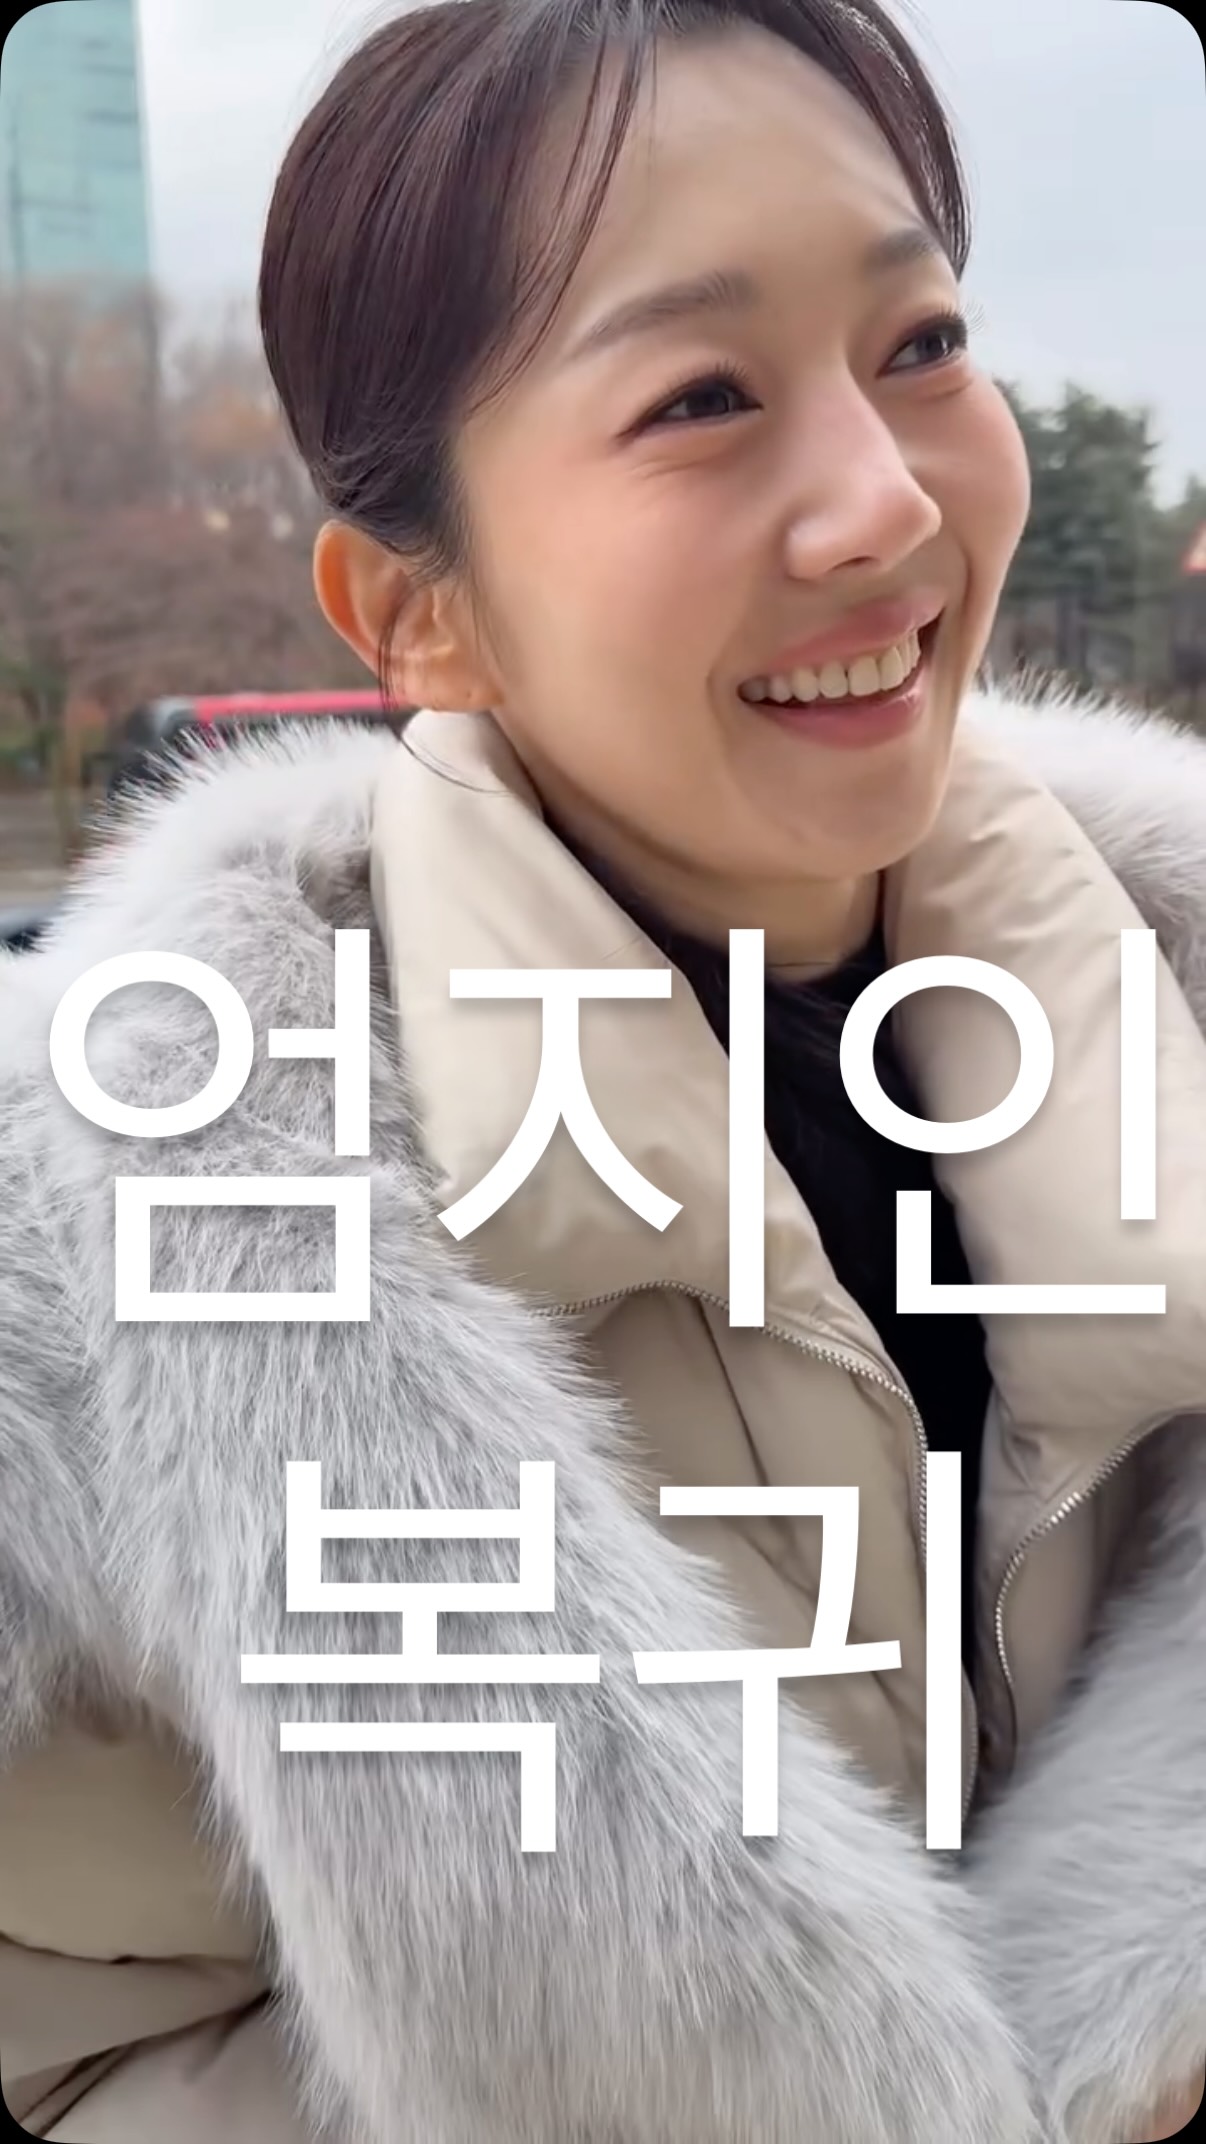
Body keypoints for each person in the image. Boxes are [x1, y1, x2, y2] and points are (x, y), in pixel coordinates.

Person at [1, 2, 1204, 2139]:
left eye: (922, 343)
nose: (881, 502)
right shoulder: (119, 1249)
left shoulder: (1169, 988)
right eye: (703, 398)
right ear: (416, 612)